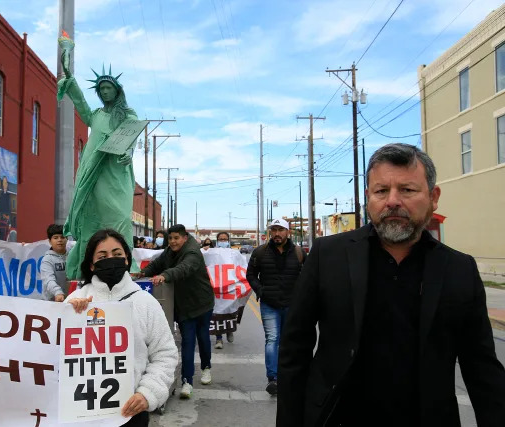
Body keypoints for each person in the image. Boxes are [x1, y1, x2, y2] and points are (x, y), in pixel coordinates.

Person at [277, 143, 505, 427]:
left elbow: (481, 367)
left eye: (407, 190)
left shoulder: (460, 270)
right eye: (381, 191)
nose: (393, 201)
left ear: (433, 197)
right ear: (368, 198)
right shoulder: (327, 256)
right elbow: (294, 350)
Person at [65, 229, 178, 426]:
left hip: (130, 414)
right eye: (102, 256)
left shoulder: (145, 303)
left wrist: (148, 393)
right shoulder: (74, 301)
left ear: (126, 259)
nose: (111, 259)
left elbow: (165, 354)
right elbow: (51, 354)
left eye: (117, 254)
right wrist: (67, 315)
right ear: (91, 265)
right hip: (80, 415)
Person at [58, 36, 138, 280]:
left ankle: (127, 266)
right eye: (101, 89)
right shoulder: (95, 116)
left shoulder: (128, 115)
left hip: (115, 173)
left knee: (121, 218)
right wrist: (69, 76)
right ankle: (86, 266)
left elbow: (131, 140)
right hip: (93, 174)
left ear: (117, 90)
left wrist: (127, 153)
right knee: (92, 220)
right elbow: (80, 102)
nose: (105, 92)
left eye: (108, 88)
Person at [140, 224, 216, 399]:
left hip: (202, 303)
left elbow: (184, 268)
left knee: (203, 337)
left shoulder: (193, 253)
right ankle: (187, 381)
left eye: (176, 238)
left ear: (184, 238)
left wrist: (165, 276)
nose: (172, 242)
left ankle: (206, 367)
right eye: (170, 238)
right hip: (183, 306)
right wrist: (142, 273)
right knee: (187, 342)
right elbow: (156, 264)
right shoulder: (169, 252)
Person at [246, 218, 305, 395]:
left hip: (292, 305)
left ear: (288, 232)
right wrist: (261, 291)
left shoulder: (298, 253)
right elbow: (250, 274)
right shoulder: (260, 252)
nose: (277, 233)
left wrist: (301, 295)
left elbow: (308, 275)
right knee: (272, 339)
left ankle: (288, 375)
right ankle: (273, 378)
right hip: (269, 304)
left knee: (288, 341)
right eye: (274, 230)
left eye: (281, 230)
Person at [213, 231, 235, 350]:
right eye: (220, 239)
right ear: (217, 241)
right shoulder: (213, 253)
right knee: (218, 312)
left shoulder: (233, 253)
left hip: (230, 286)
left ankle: (229, 330)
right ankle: (219, 338)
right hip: (217, 286)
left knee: (230, 311)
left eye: (224, 239)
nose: (222, 241)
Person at [41, 224, 68, 302]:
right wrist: (57, 292)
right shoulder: (47, 260)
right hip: (51, 302)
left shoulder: (72, 257)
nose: (59, 240)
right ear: (50, 241)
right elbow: (48, 280)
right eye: (55, 238)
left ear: (67, 239)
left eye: (62, 237)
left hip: (71, 301)